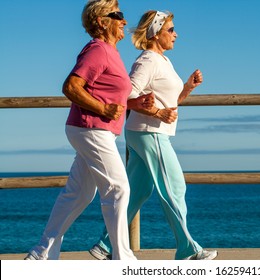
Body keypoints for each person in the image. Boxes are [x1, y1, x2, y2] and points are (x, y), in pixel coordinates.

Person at [24, 0, 153, 260]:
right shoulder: (97, 50)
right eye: (118, 15)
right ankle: (123, 260)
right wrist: (104, 110)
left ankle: (42, 254)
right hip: (91, 128)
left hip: (93, 130)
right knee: (118, 188)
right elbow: (71, 87)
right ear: (101, 21)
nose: (124, 22)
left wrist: (132, 103)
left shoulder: (109, 52)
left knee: (79, 193)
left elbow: (106, 94)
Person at [89, 10, 218, 261]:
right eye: (170, 30)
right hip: (149, 133)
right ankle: (187, 250)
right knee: (175, 187)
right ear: (156, 33)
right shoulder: (147, 60)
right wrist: (158, 113)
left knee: (138, 192)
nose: (176, 34)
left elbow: (170, 101)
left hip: (147, 133)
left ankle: (105, 245)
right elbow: (125, 95)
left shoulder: (163, 61)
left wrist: (188, 87)